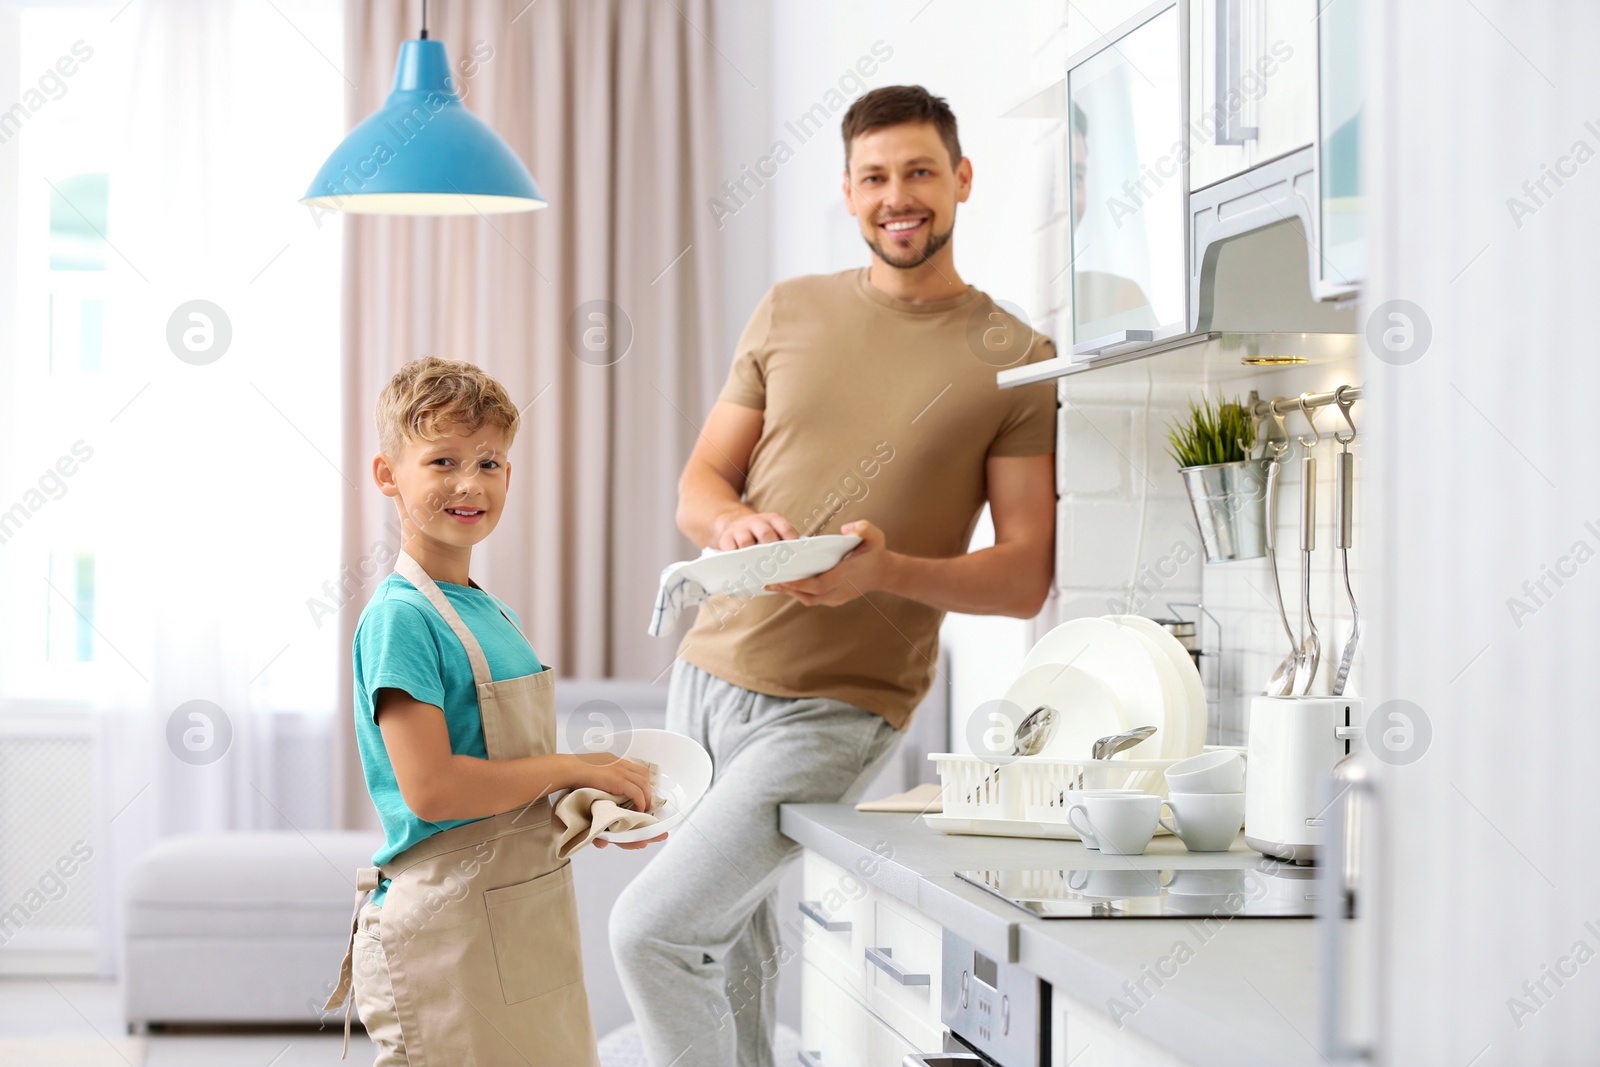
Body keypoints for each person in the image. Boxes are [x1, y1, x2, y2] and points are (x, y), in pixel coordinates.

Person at [611, 85, 1058, 1067]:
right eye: (874, 177)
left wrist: (887, 570)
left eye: (919, 172)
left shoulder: (1018, 360)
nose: (897, 196)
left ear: (961, 180)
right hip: (708, 672)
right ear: (849, 193)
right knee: (721, 939)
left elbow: (1026, 575)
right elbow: (700, 483)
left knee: (651, 929)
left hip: (839, 706)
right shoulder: (790, 308)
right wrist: (731, 521)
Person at [323, 357, 665, 1066]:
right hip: (449, 936)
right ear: (388, 474)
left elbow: (510, 775)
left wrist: (592, 804)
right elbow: (435, 788)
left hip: (525, 922)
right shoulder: (401, 619)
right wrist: (574, 763)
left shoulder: (493, 612)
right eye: (442, 459)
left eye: (490, 460)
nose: (469, 482)